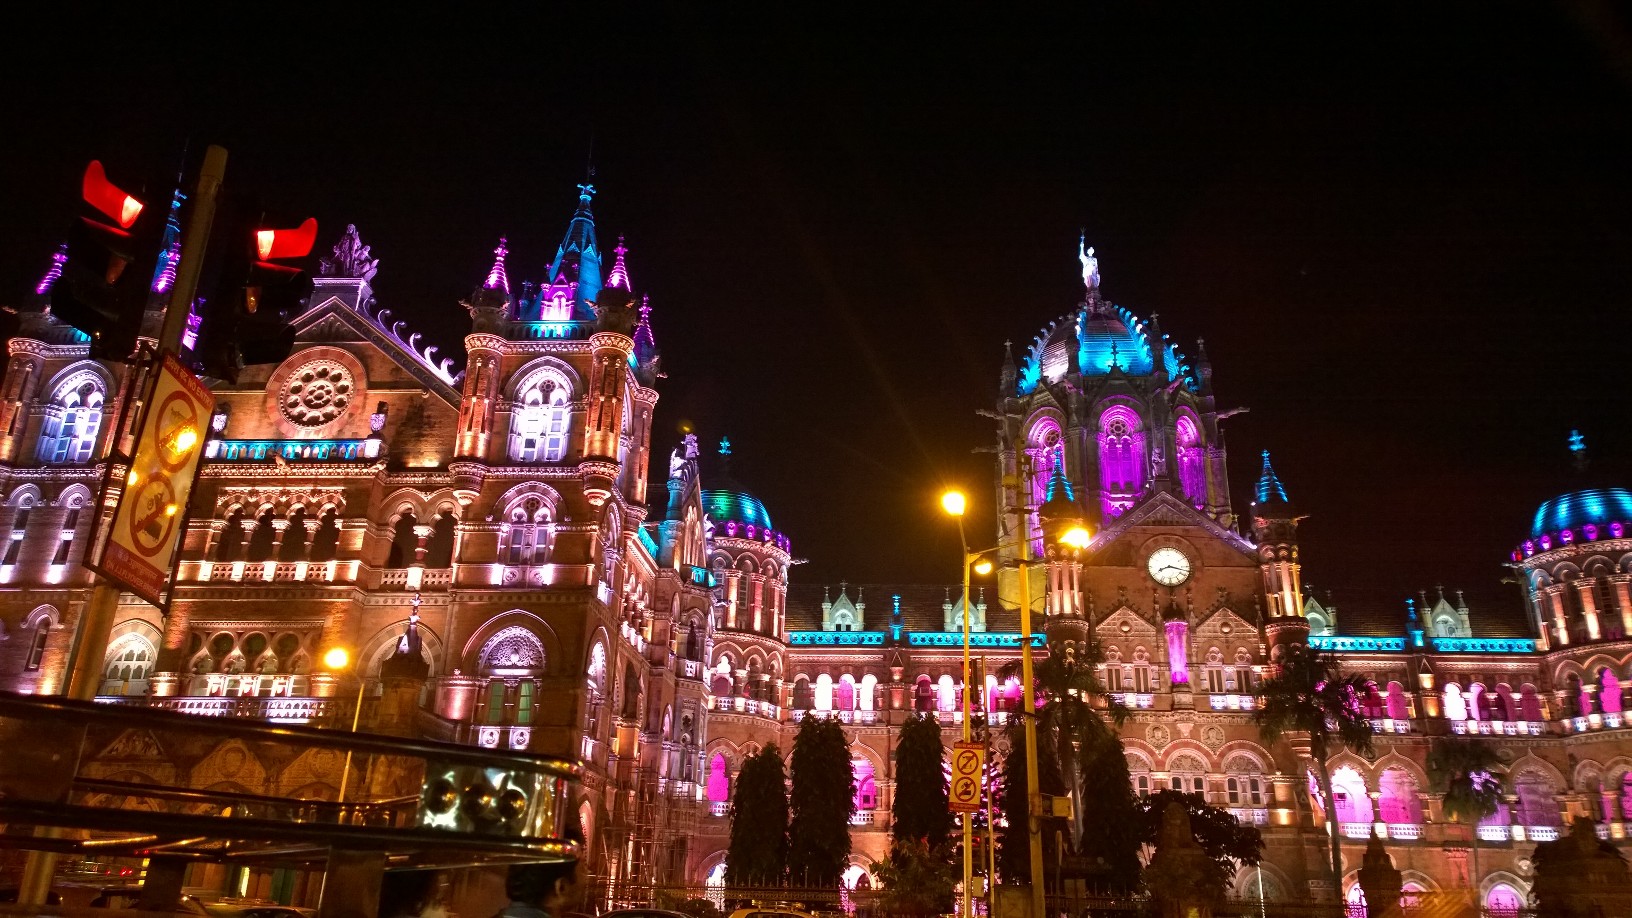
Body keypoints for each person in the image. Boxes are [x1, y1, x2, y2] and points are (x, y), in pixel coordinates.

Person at [379, 869, 450, 918]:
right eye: (438, 883)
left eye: (444, 884)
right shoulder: (416, 907)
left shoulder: (438, 909)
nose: (441, 888)